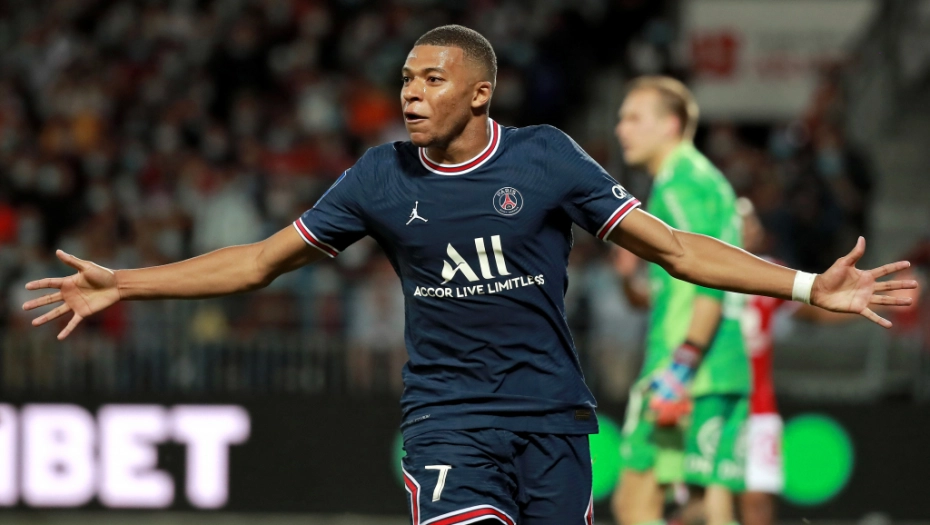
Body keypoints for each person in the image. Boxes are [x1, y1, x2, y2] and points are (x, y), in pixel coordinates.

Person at [22, 26, 915, 525]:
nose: (411, 92)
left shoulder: (545, 159)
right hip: (449, 423)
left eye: (432, 79)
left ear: (479, 93)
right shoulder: (378, 177)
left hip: (554, 424)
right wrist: (125, 282)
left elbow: (678, 249)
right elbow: (257, 261)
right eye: (405, 78)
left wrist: (808, 285)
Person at [609, 76, 749, 525]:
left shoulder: (680, 184)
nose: (621, 129)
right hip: (719, 363)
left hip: (688, 368)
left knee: (636, 504)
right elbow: (683, 287)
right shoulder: (703, 179)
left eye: (634, 118)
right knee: (706, 505)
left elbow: (711, 273)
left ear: (670, 124)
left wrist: (681, 366)